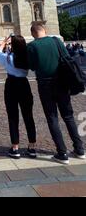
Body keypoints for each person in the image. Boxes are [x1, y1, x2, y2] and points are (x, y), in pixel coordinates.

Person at [27, 24, 85, 164]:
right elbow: (67, 57)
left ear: (33, 33)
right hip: (62, 83)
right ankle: (80, 149)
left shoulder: (32, 46)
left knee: (52, 118)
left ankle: (62, 153)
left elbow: (32, 67)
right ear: (44, 30)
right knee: (69, 116)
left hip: (45, 85)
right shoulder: (56, 41)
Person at [0, 36, 37, 159]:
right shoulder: (27, 57)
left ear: (12, 46)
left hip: (11, 85)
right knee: (29, 116)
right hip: (24, 85)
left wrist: (4, 42)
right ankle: (32, 147)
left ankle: (15, 148)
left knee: (13, 117)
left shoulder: (8, 58)